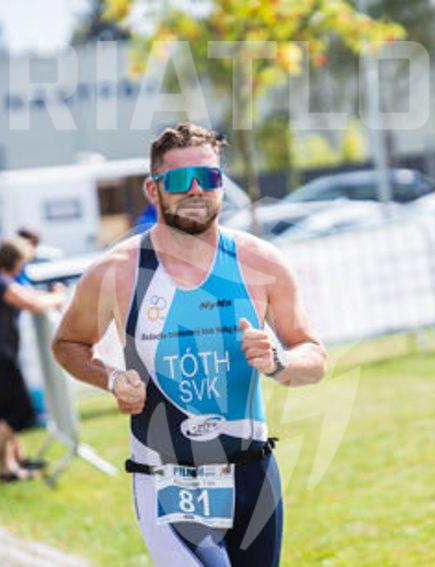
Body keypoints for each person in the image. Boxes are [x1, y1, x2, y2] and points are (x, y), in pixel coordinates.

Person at [52, 122, 326, 566]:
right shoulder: (117, 271)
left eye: (208, 177)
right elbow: (68, 343)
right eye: (180, 179)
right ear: (153, 189)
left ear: (221, 184)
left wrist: (277, 361)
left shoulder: (261, 262)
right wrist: (112, 379)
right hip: (167, 478)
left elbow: (313, 356)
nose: (196, 189)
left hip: (252, 472)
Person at [0, 238, 65, 489]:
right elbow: (32, 303)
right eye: (22, 262)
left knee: (3, 413)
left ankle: (6, 469)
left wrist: (51, 296)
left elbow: (29, 294)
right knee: (21, 413)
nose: (23, 267)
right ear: (13, 261)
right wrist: (58, 298)